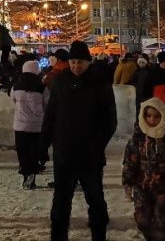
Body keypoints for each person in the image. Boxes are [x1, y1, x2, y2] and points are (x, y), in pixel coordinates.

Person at [42, 40, 117, 241]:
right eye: (73, 62)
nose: (76, 66)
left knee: (95, 201)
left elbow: (110, 121)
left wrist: (97, 145)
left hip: (90, 157)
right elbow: (51, 115)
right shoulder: (60, 82)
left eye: (80, 62)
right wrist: (45, 143)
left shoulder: (100, 83)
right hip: (64, 155)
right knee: (61, 202)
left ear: (88, 62)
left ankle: (98, 236)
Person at [123, 98, 165, 241]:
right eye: (148, 116)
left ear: (163, 116)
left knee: (162, 222)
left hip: (164, 186)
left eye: (156, 116)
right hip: (141, 184)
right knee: (143, 219)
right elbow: (129, 160)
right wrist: (127, 181)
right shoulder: (138, 136)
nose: (152, 119)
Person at [12, 59, 47, 189]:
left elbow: (13, 100)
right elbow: (46, 103)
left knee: (22, 151)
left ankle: (26, 173)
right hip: (37, 126)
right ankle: (32, 172)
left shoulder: (15, 86)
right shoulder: (42, 87)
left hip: (20, 125)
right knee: (34, 151)